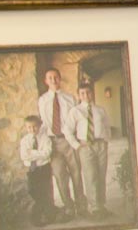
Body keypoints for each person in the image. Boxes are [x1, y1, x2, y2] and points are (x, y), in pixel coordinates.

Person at [35, 67, 84, 217]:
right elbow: (43, 122)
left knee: (76, 174)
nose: (53, 80)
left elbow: (76, 120)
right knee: (59, 175)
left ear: (60, 78)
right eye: (50, 78)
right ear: (46, 81)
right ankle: (68, 207)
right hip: (53, 143)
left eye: (56, 77)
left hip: (68, 140)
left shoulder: (70, 98)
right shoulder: (42, 100)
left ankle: (81, 207)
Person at [67, 83, 113, 215]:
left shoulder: (100, 110)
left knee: (101, 174)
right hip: (85, 146)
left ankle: (102, 204)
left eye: (88, 92)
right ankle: (95, 207)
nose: (86, 95)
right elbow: (67, 130)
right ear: (78, 95)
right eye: (82, 93)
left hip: (100, 145)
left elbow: (107, 125)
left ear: (92, 93)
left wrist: (106, 140)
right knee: (90, 175)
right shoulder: (75, 111)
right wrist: (77, 145)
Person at [15, 115, 54, 227]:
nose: (32, 129)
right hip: (32, 170)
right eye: (29, 127)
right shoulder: (24, 140)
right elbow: (24, 156)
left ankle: (45, 217)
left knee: (45, 192)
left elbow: (47, 153)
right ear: (26, 128)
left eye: (34, 127)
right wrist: (38, 153)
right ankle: (41, 215)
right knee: (35, 193)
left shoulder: (45, 138)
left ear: (39, 126)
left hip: (44, 169)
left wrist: (31, 152)